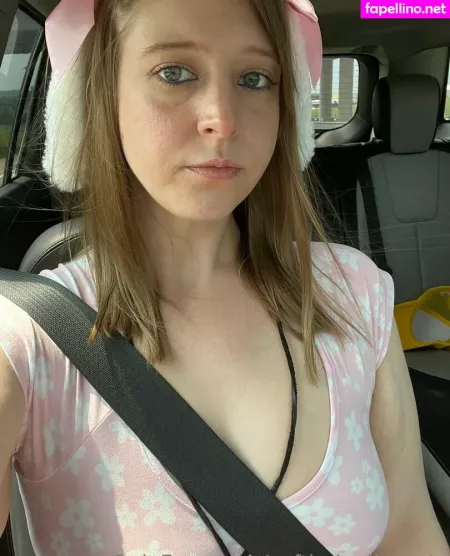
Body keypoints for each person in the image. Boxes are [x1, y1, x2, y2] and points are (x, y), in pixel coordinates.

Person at [0, 0, 448, 554]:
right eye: (174, 72)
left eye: (255, 78)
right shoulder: (26, 339)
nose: (222, 118)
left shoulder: (354, 293)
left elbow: (410, 534)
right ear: (100, 98)